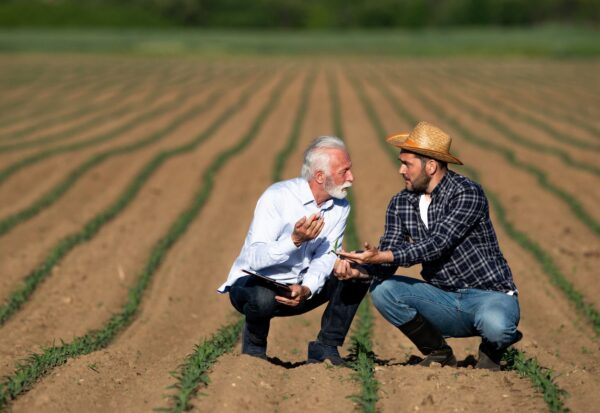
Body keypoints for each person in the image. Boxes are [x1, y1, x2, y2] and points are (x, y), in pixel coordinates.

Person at [336, 121, 521, 370]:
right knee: (384, 290)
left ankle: (494, 345)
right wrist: (358, 269)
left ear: (431, 166)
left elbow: (437, 244)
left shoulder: (466, 193)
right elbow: (388, 257)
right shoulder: (401, 202)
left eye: (407, 164)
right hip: (444, 298)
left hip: (489, 295)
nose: (401, 170)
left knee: (497, 327)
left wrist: (382, 256)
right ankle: (439, 352)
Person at [218, 136, 369, 365]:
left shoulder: (340, 207)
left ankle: (326, 347)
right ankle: (254, 351)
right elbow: (255, 259)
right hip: (254, 285)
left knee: (359, 268)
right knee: (263, 298)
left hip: (299, 288)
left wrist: (307, 288)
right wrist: (294, 240)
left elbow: (326, 255)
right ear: (320, 176)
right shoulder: (277, 197)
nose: (351, 178)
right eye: (344, 171)